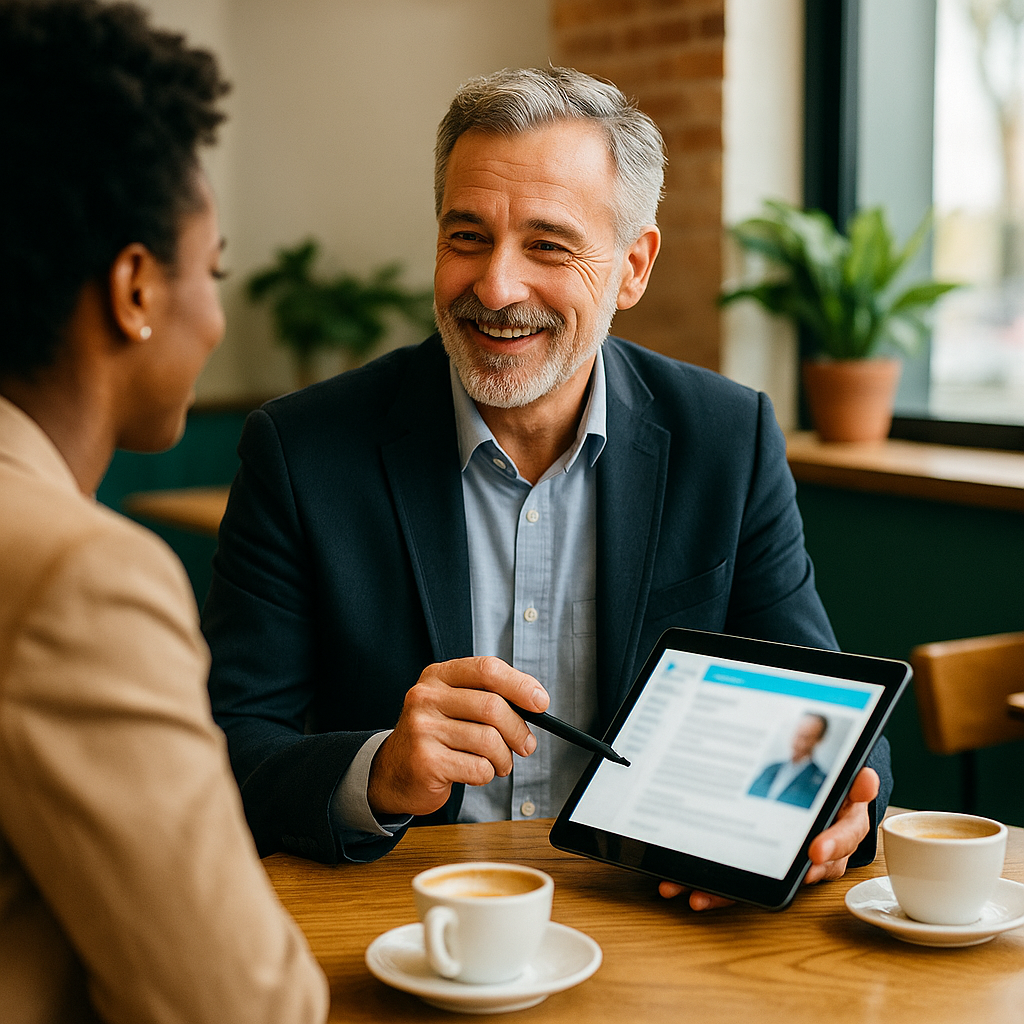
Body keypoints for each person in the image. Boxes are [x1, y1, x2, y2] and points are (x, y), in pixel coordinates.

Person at [204, 67, 892, 907]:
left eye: (548, 244)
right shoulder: (301, 450)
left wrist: (841, 814)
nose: (496, 288)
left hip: (649, 917)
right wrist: (378, 772)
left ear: (633, 267)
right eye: (466, 237)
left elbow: (833, 712)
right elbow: (225, 748)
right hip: (403, 922)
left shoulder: (727, 437)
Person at [0, 2, 328, 1021]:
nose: (219, 312)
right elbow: (239, 1006)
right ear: (136, 287)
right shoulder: (81, 579)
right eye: (215, 268)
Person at [748, 714, 830, 808]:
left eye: (806, 736)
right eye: (797, 733)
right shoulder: (770, 768)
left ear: (818, 740)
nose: (798, 740)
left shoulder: (821, 781)